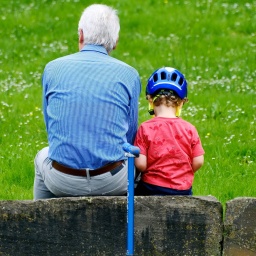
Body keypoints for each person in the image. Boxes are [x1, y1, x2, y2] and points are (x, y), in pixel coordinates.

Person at [33, 4, 141, 200]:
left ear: (80, 35)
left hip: (62, 179)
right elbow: (131, 136)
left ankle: (41, 224)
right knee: (140, 162)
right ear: (115, 42)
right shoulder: (129, 74)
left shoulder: (52, 69)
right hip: (112, 180)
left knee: (42, 156)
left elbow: (52, 130)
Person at [134, 67, 204, 196]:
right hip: (183, 189)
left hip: (152, 188)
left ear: (150, 99)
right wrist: (183, 173)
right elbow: (199, 161)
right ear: (181, 102)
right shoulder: (189, 129)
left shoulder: (145, 128)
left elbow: (141, 164)